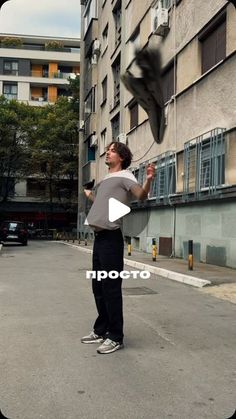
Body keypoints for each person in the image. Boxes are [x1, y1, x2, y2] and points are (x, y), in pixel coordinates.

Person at [81, 141, 155, 354]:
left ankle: (116, 336)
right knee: (98, 287)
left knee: (111, 288)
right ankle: (102, 329)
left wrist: (148, 180)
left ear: (121, 157)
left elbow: (141, 195)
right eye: (108, 150)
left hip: (112, 239)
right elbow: (102, 205)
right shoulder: (106, 179)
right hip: (99, 238)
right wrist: (90, 196)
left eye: (112, 150)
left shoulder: (126, 176)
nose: (107, 152)